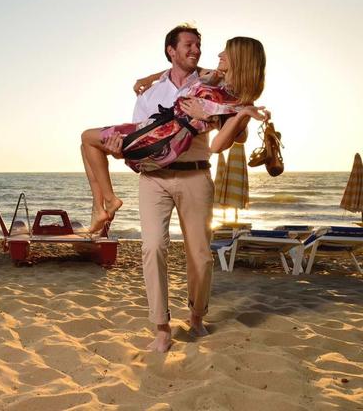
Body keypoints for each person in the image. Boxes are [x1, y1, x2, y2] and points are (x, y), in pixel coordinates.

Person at [81, 26, 266, 352]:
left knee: (200, 257)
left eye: (199, 45)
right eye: (189, 45)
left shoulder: (213, 84)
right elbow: (144, 139)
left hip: (196, 176)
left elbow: (227, 136)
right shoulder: (149, 93)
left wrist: (234, 115)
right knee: (152, 247)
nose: (198, 50)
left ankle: (196, 316)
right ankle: (161, 328)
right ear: (172, 50)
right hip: (154, 178)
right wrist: (117, 150)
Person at [80, 35, 268, 234]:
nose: (220, 54)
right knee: (87, 146)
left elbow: (217, 146)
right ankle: (99, 210)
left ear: (240, 58)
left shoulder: (239, 105)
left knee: (87, 138)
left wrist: (216, 116)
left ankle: (109, 201)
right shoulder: (214, 77)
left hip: (161, 138)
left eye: (227, 52)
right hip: (158, 125)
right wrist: (149, 79)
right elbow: (181, 67)